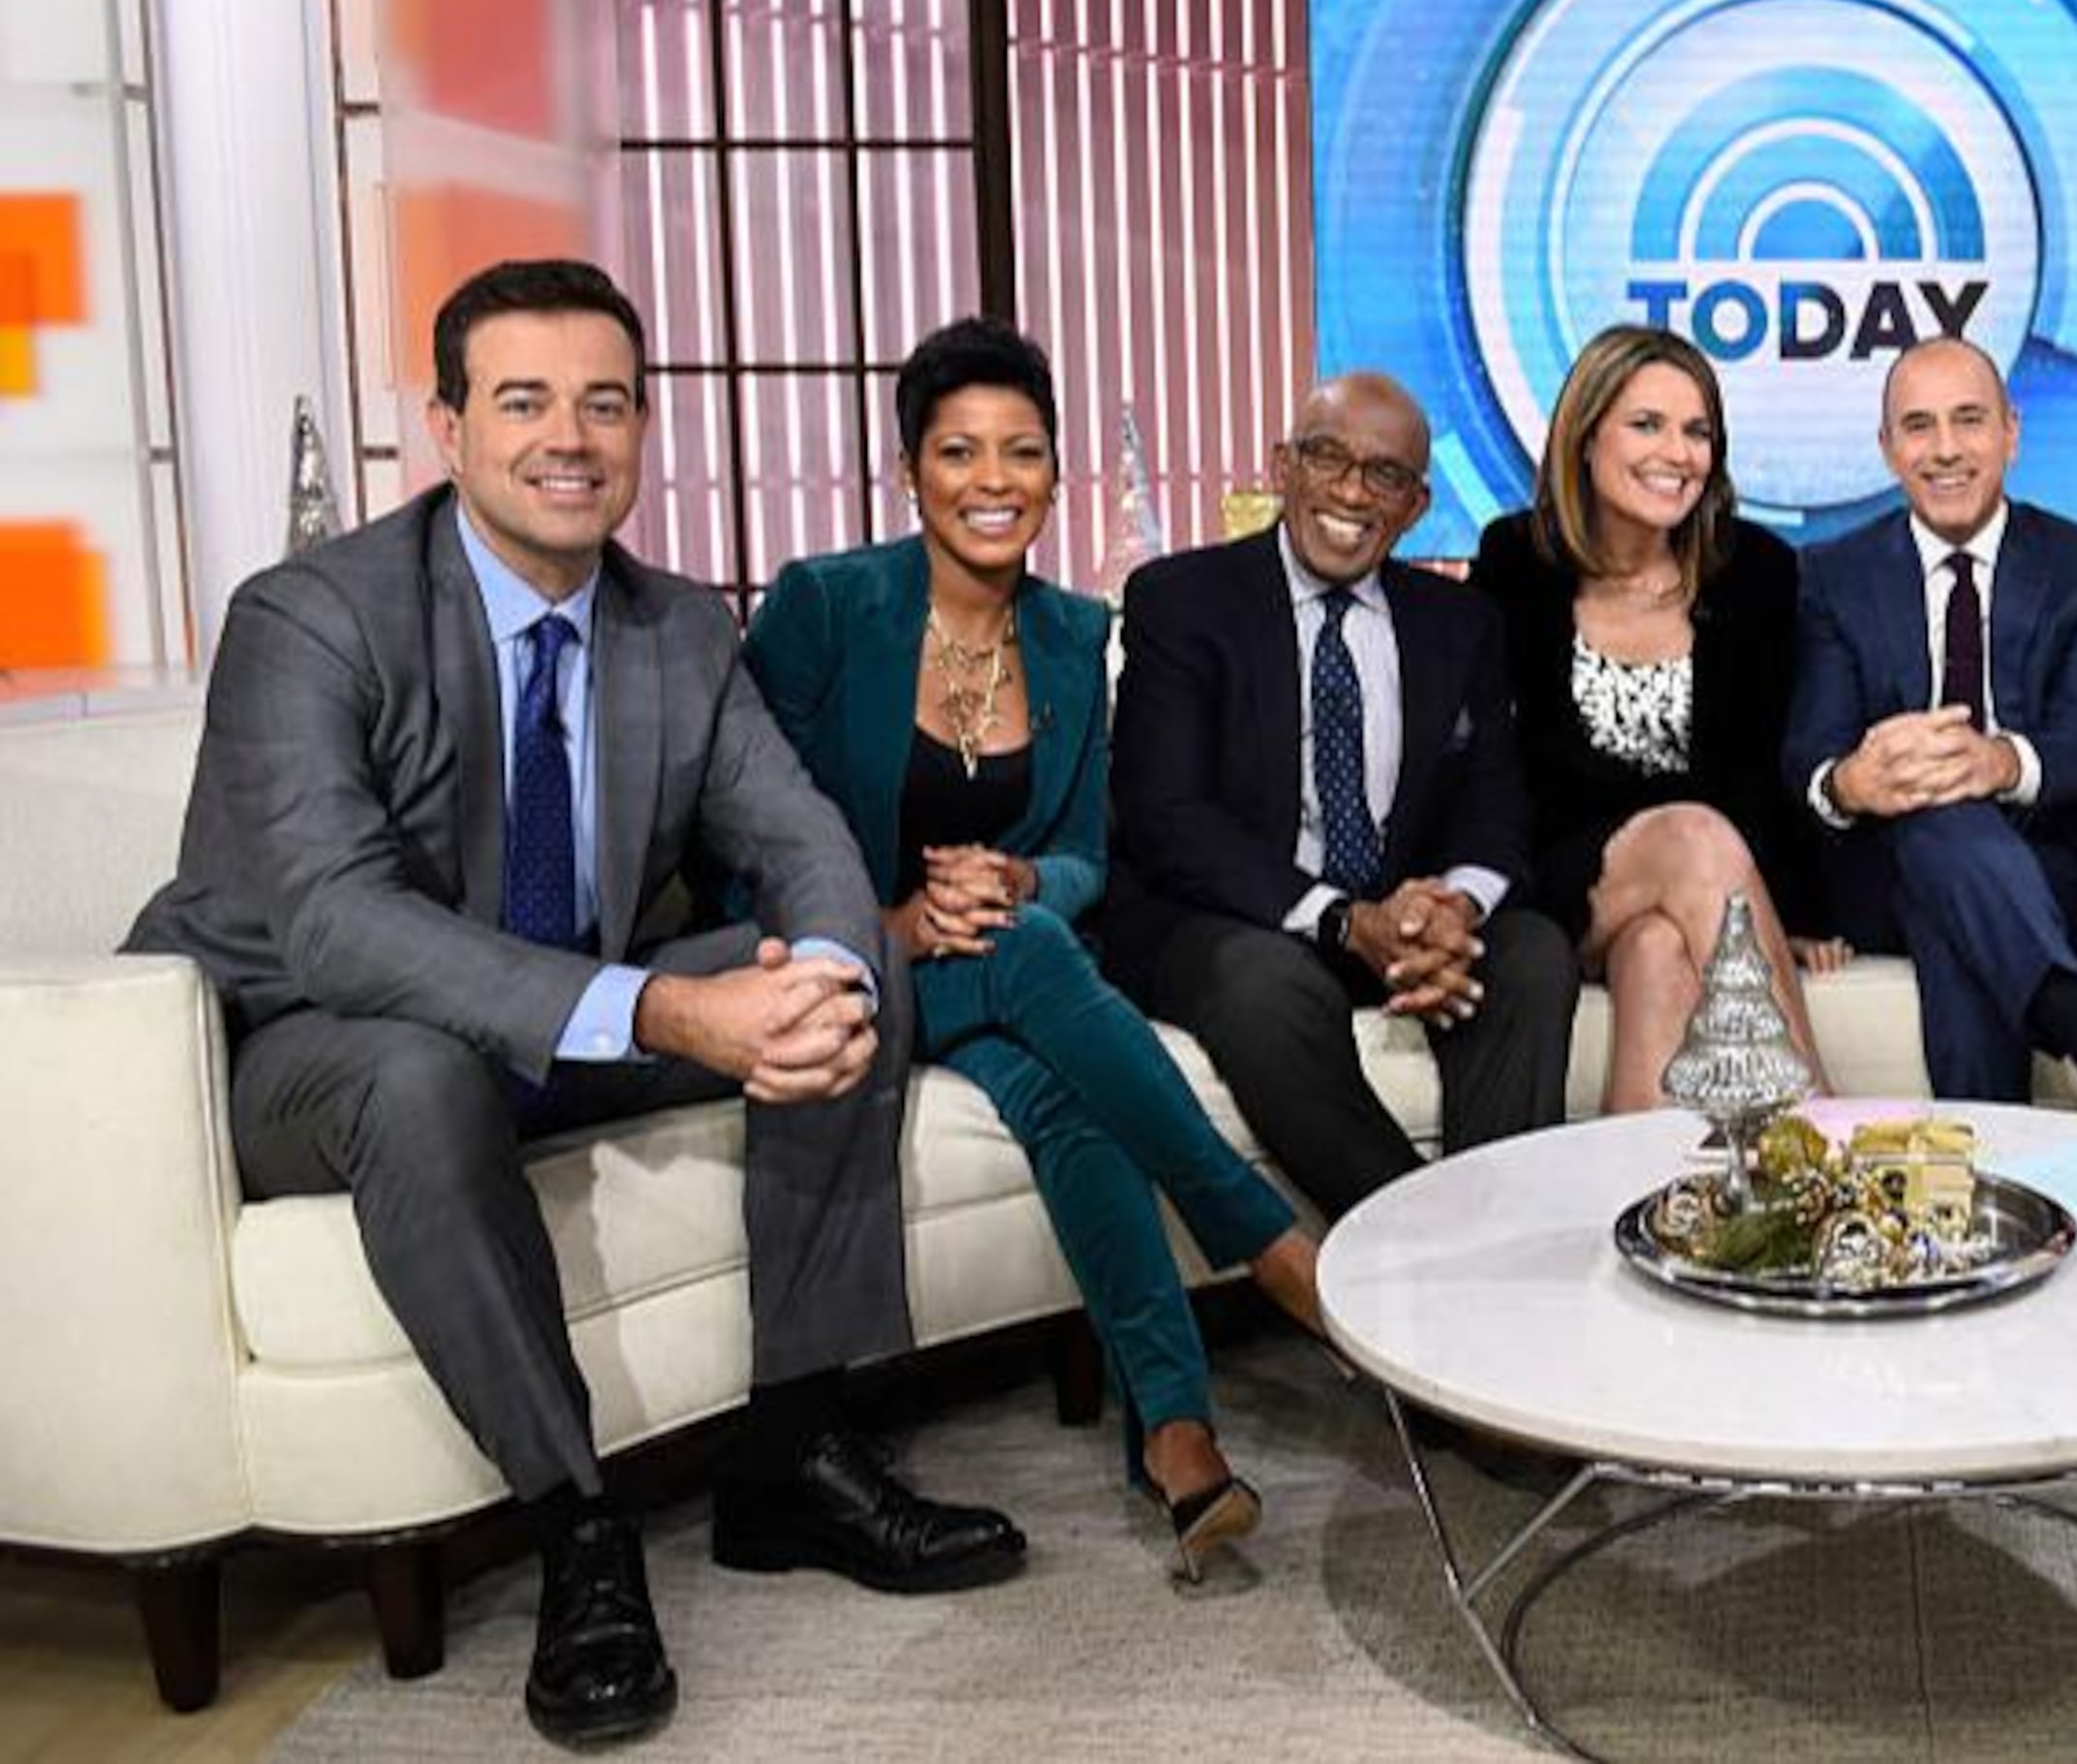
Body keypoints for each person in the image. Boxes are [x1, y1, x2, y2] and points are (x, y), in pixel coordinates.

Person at [123, 260, 1022, 1750]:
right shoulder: (309, 617)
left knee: (843, 962)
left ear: (643, 428)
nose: (570, 438)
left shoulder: (676, 626)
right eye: (524, 401)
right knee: (425, 1075)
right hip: (312, 1043)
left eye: (605, 404)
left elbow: (791, 830)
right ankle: (578, 1529)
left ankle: (792, 1456)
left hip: (573, 1017)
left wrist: (822, 976)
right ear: (447, 429)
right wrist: (673, 1017)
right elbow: (340, 925)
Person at [740, 319, 1324, 1582]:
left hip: (998, 960)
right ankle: (1270, 1243)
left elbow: (1082, 852)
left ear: (1056, 475)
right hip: (848, 971)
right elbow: (741, 822)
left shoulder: (1070, 633)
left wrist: (1013, 877)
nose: (993, 479)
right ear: (911, 469)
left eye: (1023, 452)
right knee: (1041, 953)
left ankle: (1177, 1437)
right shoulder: (826, 607)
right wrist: (888, 924)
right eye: (960, 451)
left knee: (1061, 1072)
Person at [1103, 370, 1574, 1224]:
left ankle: (1497, 1241)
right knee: (1264, 986)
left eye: (1385, 475)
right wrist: (1342, 919)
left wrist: (1455, 910)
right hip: (1235, 923)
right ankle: (1439, 1248)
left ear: (1417, 505)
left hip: (1394, 922)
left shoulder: (1459, 622)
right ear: (1283, 466)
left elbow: (1497, 807)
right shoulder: (1181, 601)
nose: (1352, 491)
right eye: (1327, 458)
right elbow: (1168, 819)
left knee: (1533, 952)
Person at [1782, 335, 2077, 1131]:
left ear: (2011, 431)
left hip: (2041, 870)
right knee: (1932, 807)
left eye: (1968, 421)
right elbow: (1809, 750)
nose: (1945, 450)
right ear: (1887, 447)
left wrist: (2000, 763)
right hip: (1881, 871)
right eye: (1919, 426)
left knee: (1953, 880)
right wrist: (1850, 782)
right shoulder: (1834, 574)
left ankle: (1978, 1196)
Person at [1469, 325, 1844, 1111]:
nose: (1678, 452)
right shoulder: (1515, 560)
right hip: (1564, 875)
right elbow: (1505, 766)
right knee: (1691, 834)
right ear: (1586, 434)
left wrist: (1784, 912)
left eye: (1697, 431)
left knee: (1659, 952)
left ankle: (1635, 1210)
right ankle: (1819, 1122)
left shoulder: (1757, 572)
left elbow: (1759, 770)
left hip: (1699, 880)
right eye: (1647, 424)